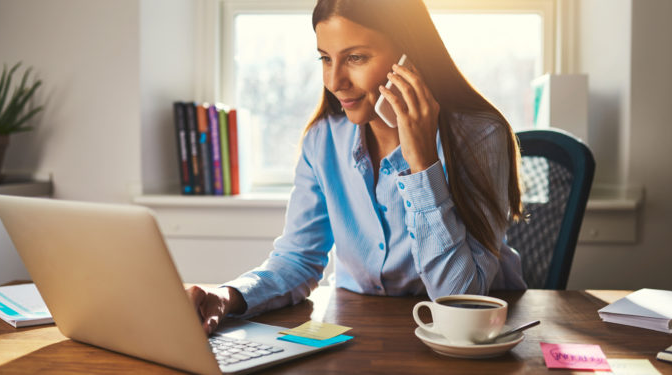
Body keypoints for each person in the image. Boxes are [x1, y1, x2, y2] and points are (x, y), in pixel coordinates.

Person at [187, 0, 527, 334]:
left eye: (356, 58)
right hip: (358, 331)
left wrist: (423, 164)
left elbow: (460, 300)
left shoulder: (480, 137)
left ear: (410, 57)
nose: (335, 81)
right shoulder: (323, 140)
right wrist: (228, 295)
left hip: (469, 340)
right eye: (325, 58)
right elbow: (297, 260)